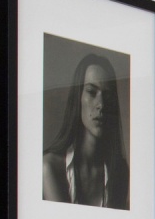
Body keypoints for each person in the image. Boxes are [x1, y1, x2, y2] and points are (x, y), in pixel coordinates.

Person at [43, 51, 127, 208]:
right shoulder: (50, 167)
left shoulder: (120, 172)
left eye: (107, 95)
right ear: (78, 97)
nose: (101, 104)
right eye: (91, 92)